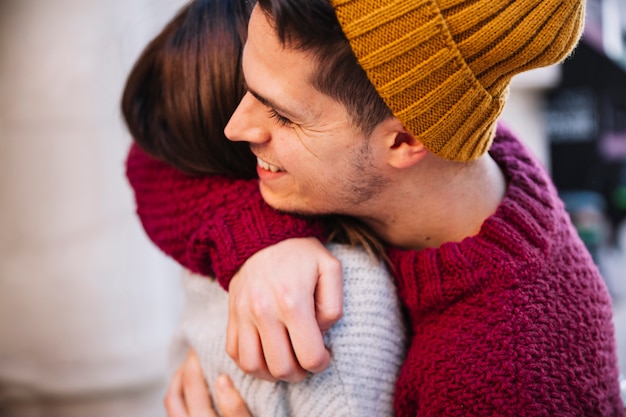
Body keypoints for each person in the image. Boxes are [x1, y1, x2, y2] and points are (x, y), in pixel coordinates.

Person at [126, 0, 626, 416]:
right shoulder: (435, 134)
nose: (236, 128)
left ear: (406, 139)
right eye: (246, 90)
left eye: (279, 113)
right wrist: (257, 242)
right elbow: (159, 148)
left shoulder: (507, 376)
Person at [122, 0, 407, 416]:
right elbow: (149, 154)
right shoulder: (331, 290)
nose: (237, 126)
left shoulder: (338, 302)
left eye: (276, 110)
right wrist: (258, 233)